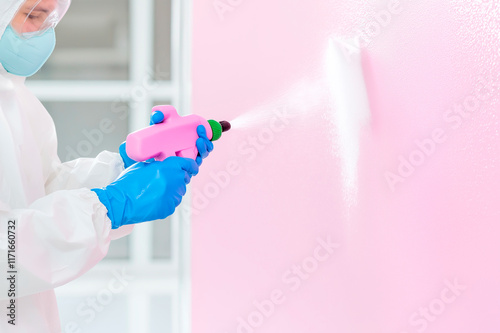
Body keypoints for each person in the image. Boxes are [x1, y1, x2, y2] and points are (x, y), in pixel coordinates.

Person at [0, 0, 213, 332]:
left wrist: (124, 166)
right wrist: (111, 205)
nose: (43, 34)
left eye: (50, 20)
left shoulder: (14, 97)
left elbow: (39, 192)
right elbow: (6, 253)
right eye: (33, 15)